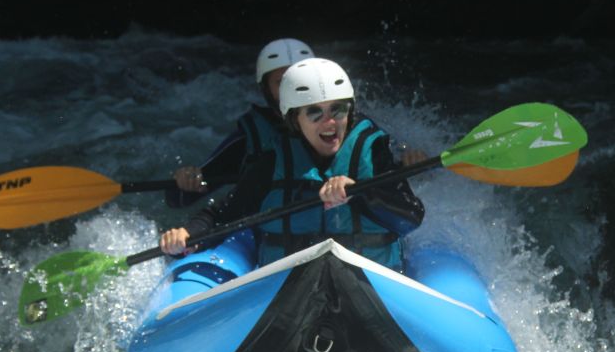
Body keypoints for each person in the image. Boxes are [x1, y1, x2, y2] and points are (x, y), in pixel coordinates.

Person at [159, 58, 426, 272]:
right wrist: (188, 236)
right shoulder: (272, 161)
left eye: (338, 110)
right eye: (314, 113)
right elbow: (223, 215)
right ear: (295, 119)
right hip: (292, 287)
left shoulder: (374, 153)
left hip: (367, 281)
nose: (329, 122)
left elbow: (410, 217)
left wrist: (361, 192)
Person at [166, 37, 316, 207]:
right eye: (281, 82)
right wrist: (186, 180)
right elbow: (178, 199)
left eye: (299, 80)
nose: (292, 89)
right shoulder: (251, 140)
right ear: (266, 89)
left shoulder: (334, 128)